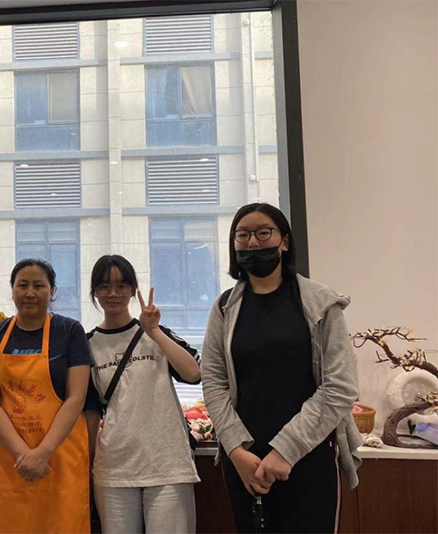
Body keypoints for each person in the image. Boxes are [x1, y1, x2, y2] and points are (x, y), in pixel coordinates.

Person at [201, 203, 363, 533]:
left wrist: (285, 451)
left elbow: (340, 386)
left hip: (307, 457)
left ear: (284, 241)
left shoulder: (321, 303)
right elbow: (214, 381)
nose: (252, 242)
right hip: (245, 464)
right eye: (242, 235)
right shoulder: (224, 307)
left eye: (264, 233)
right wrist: (236, 451)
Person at [84, 254, 201, 533]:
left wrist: (154, 331)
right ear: (94, 292)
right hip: (114, 466)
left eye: (121, 285)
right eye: (104, 286)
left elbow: (193, 373)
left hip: (168, 463)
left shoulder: (154, 333)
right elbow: (90, 412)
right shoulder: (87, 345)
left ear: (133, 289)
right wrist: (87, 463)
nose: (113, 293)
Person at [0, 258, 92, 533]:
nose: (30, 293)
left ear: (52, 291)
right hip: (11, 459)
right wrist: (24, 455)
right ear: (12, 290)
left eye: (39, 286)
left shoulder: (70, 331)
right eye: (22, 285)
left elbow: (76, 398)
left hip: (60, 456)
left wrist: (43, 453)